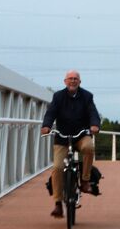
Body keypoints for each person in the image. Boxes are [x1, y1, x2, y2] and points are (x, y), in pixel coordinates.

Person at [40, 70, 101, 219]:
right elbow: (51, 112)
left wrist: (94, 124)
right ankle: (58, 204)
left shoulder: (87, 96)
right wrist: (46, 125)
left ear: (80, 82)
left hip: (81, 135)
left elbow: (93, 112)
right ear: (65, 82)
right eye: (70, 79)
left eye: (75, 79)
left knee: (89, 148)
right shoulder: (58, 96)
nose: (72, 81)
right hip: (62, 137)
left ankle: (85, 181)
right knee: (58, 167)